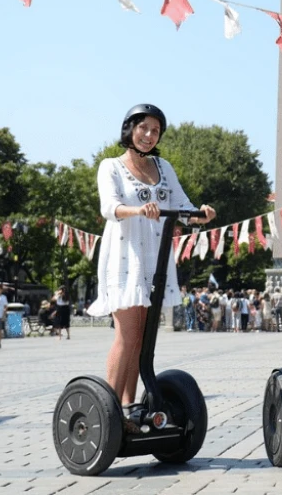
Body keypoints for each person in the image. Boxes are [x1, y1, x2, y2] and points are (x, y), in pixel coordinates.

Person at [84, 104, 215, 430]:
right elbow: (109, 207)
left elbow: (181, 205)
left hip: (156, 259)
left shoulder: (163, 166)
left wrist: (200, 213)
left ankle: (129, 409)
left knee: (142, 340)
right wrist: (140, 210)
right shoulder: (111, 166)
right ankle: (109, 412)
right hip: (124, 257)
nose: (148, 135)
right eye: (143, 128)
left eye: (155, 131)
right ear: (129, 129)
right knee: (127, 338)